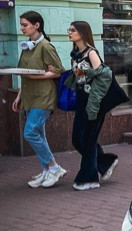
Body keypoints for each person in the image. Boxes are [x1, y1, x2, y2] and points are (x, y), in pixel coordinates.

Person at [11, 11, 67, 188]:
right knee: (39, 134)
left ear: (37, 25)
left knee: (30, 132)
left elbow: (58, 71)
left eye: (25, 25)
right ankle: (46, 171)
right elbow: (24, 74)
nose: (22, 28)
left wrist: (38, 77)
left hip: (44, 96)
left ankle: (54, 167)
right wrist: (20, 96)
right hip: (29, 96)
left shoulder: (45, 46)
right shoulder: (27, 47)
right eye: (21, 24)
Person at [65, 21, 119, 191]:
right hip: (82, 99)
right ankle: (105, 162)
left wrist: (94, 101)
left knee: (87, 140)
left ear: (82, 33)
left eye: (73, 30)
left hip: (94, 101)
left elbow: (103, 79)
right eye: (69, 30)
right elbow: (81, 77)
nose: (69, 32)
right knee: (77, 139)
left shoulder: (91, 53)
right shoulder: (76, 54)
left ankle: (88, 179)